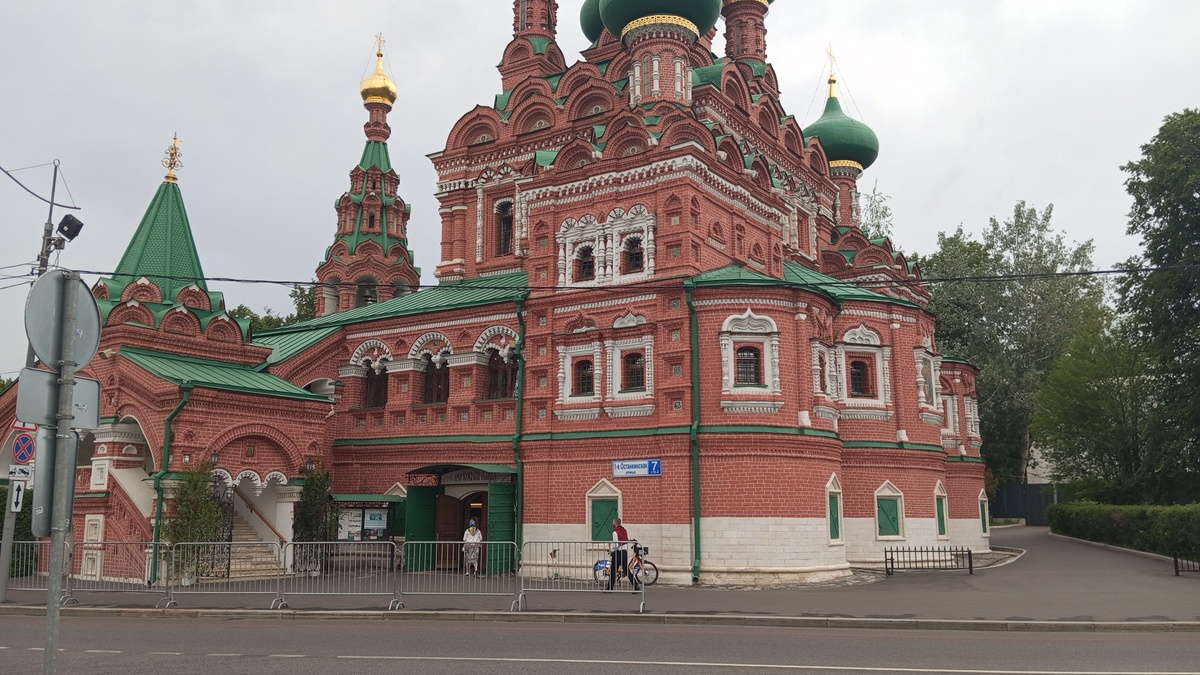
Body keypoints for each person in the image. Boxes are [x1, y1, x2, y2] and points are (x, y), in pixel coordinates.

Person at [608, 517, 640, 591]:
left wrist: (611, 551)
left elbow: (616, 545)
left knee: (613, 570)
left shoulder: (615, 532)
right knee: (626, 570)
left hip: (618, 552)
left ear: (614, 523)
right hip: (624, 552)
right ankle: (635, 585)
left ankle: (609, 588)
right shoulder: (624, 530)